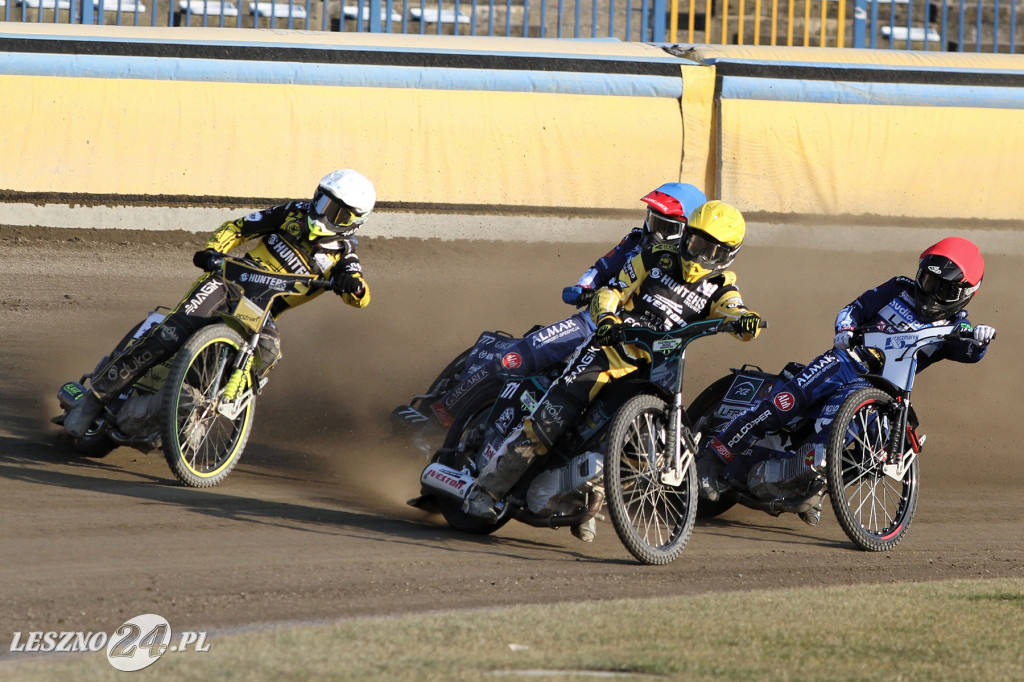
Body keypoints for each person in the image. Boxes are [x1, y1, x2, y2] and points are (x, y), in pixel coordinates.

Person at [462, 200, 763, 540]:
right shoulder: (657, 257)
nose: (699, 254)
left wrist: (745, 321)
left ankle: (585, 497)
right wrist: (606, 316)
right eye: (695, 243)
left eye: (710, 249)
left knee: (634, 443)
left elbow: (735, 311)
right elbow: (613, 290)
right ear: (686, 237)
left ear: (727, 255)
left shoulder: (722, 285)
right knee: (551, 418)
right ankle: (484, 491)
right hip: (609, 351)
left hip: (656, 367)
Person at [62, 169, 377, 438]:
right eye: (322, 201)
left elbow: (360, 297)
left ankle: (204, 410)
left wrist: (351, 286)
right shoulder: (292, 211)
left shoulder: (344, 257)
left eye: (336, 211)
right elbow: (237, 227)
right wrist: (213, 251)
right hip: (228, 284)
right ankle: (94, 399)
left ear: (353, 221)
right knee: (169, 334)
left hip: (260, 313)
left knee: (268, 353)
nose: (322, 212)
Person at [697, 236, 997, 504]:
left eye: (942, 289)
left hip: (879, 392)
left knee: (870, 452)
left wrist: (980, 338)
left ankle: (807, 486)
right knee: (784, 404)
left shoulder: (958, 325)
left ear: (965, 293)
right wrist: (846, 329)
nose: (929, 294)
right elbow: (853, 309)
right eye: (927, 282)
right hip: (847, 361)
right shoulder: (898, 288)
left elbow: (972, 351)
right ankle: (714, 456)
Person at [415, 182, 708, 429]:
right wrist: (583, 288)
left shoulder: (704, 276)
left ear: (690, 232)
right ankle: (438, 416)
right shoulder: (635, 242)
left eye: (665, 226)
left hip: (647, 348)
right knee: (514, 359)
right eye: (652, 219)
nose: (655, 231)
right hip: (593, 324)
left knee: (658, 414)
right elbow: (602, 268)